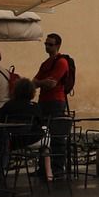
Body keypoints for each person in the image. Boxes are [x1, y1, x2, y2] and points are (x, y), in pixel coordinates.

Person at [0, 78, 50, 181]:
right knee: (46, 139)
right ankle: (48, 173)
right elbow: (41, 123)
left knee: (1, 141)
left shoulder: (9, 105)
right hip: (32, 140)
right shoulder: (35, 107)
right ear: (32, 92)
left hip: (13, 141)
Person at [32, 33, 70, 176]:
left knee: (57, 137)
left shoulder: (61, 62)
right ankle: (44, 168)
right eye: (46, 44)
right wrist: (42, 82)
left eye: (50, 44)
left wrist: (40, 82)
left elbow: (51, 83)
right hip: (43, 102)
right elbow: (34, 82)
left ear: (58, 46)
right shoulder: (45, 64)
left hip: (56, 102)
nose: (47, 47)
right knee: (43, 136)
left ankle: (58, 169)